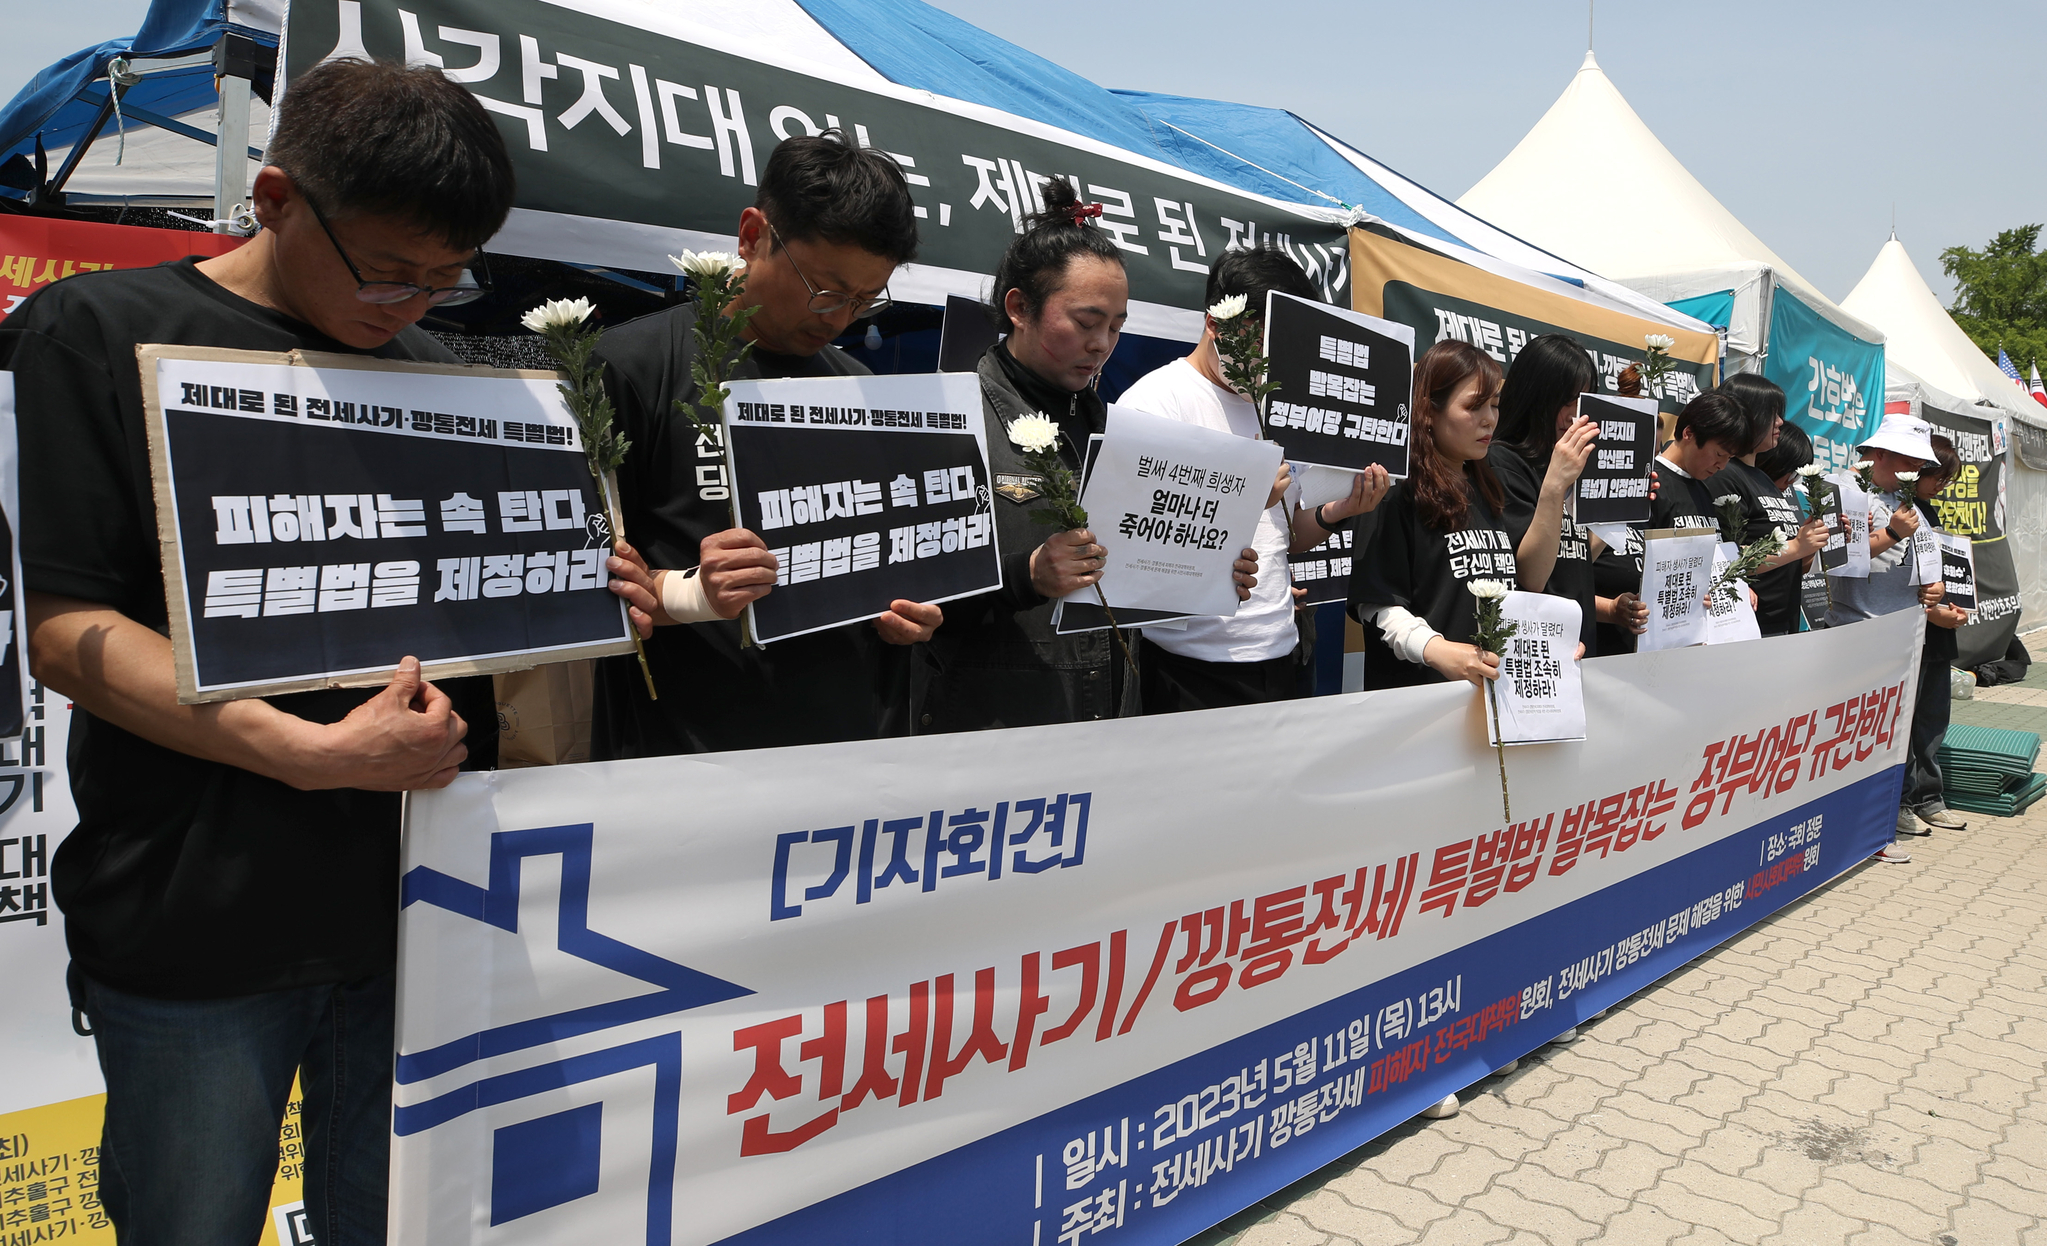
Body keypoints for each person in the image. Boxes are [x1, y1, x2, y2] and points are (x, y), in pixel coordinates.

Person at [1, 59, 541, 1244]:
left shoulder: (439, 374)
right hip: (197, 919)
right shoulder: (101, 329)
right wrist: (304, 751)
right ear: (277, 195)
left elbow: (477, 611)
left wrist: (572, 584)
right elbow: (68, 632)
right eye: (388, 270)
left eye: (445, 281)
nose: (409, 303)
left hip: (412, 914)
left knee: (388, 1220)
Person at [590, 131, 942, 756]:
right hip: (683, 748)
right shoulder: (631, 366)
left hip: (839, 743)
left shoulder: (859, 389)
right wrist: (690, 594)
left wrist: (906, 614)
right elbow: (564, 576)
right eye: (825, 289)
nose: (837, 317)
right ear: (753, 236)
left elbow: (876, 556)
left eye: (865, 300)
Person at [919, 179, 1256, 729]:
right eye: (1085, 322)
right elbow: (907, 593)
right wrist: (1025, 576)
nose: (1101, 344)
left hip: (1108, 716)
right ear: (1019, 307)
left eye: (1117, 327)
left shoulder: (1119, 428)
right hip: (993, 724)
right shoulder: (948, 418)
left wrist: (1211, 574)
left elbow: (1137, 574)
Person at [1116, 246, 1387, 711]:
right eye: (1260, 343)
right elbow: (1133, 556)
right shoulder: (1154, 405)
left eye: (1285, 347)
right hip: (1188, 666)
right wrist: (1242, 504)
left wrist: (1340, 511)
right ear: (1215, 323)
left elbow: (1284, 536)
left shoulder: (1274, 406)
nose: (1273, 360)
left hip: (1282, 651)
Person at [1348, 340, 1521, 690]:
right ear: (1429, 409)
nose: (1489, 419)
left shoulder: (1488, 487)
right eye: (1474, 406)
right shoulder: (1394, 491)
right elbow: (1375, 605)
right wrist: (1436, 650)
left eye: (1495, 405)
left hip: (1492, 697)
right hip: (1420, 706)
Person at [1823, 412, 1947, 863]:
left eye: (1919, 462)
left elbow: (1926, 565)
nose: (1914, 469)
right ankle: (1851, 831)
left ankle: (1878, 826)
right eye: (1905, 459)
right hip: (1859, 632)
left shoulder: (1910, 503)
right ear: (1877, 453)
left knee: (1889, 739)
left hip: (1904, 634)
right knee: (1850, 740)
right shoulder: (1849, 492)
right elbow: (1836, 558)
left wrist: (1933, 588)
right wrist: (1892, 532)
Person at [1488, 334, 1642, 657]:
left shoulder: (1566, 465)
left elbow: (1575, 556)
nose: (1576, 415)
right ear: (1537, 397)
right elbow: (1531, 576)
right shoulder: (1503, 462)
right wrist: (1556, 485)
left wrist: (1623, 501)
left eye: (1585, 400)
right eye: (1568, 400)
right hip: (1537, 656)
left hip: (1580, 652)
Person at [1706, 375, 1832, 636]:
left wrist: (1808, 546)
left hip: (1780, 624)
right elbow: (1727, 558)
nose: (1780, 423)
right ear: (1748, 415)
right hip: (1748, 626)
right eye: (1772, 414)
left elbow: (1789, 562)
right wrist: (1798, 545)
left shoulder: (1762, 478)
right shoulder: (1726, 475)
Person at [1901, 435, 1971, 834]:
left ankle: (1929, 797)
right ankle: (1903, 801)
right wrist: (1934, 612)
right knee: (1906, 725)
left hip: (1940, 632)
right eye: (1938, 475)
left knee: (1932, 720)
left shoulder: (1929, 512)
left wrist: (1954, 609)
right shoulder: (1901, 512)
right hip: (1914, 631)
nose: (1942, 484)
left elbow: (1945, 577)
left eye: (1948, 478)